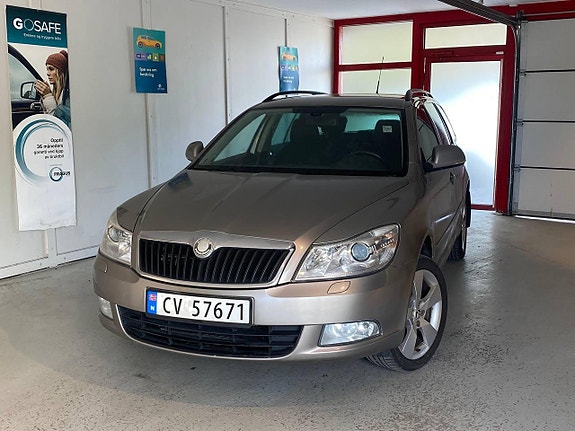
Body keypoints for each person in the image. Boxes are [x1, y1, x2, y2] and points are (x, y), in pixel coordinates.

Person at [34, 49, 71, 128]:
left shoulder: (68, 95)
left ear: (60, 71)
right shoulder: (58, 93)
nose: (47, 73)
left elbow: (58, 122)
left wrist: (48, 97)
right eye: (47, 69)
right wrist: (44, 96)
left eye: (51, 69)